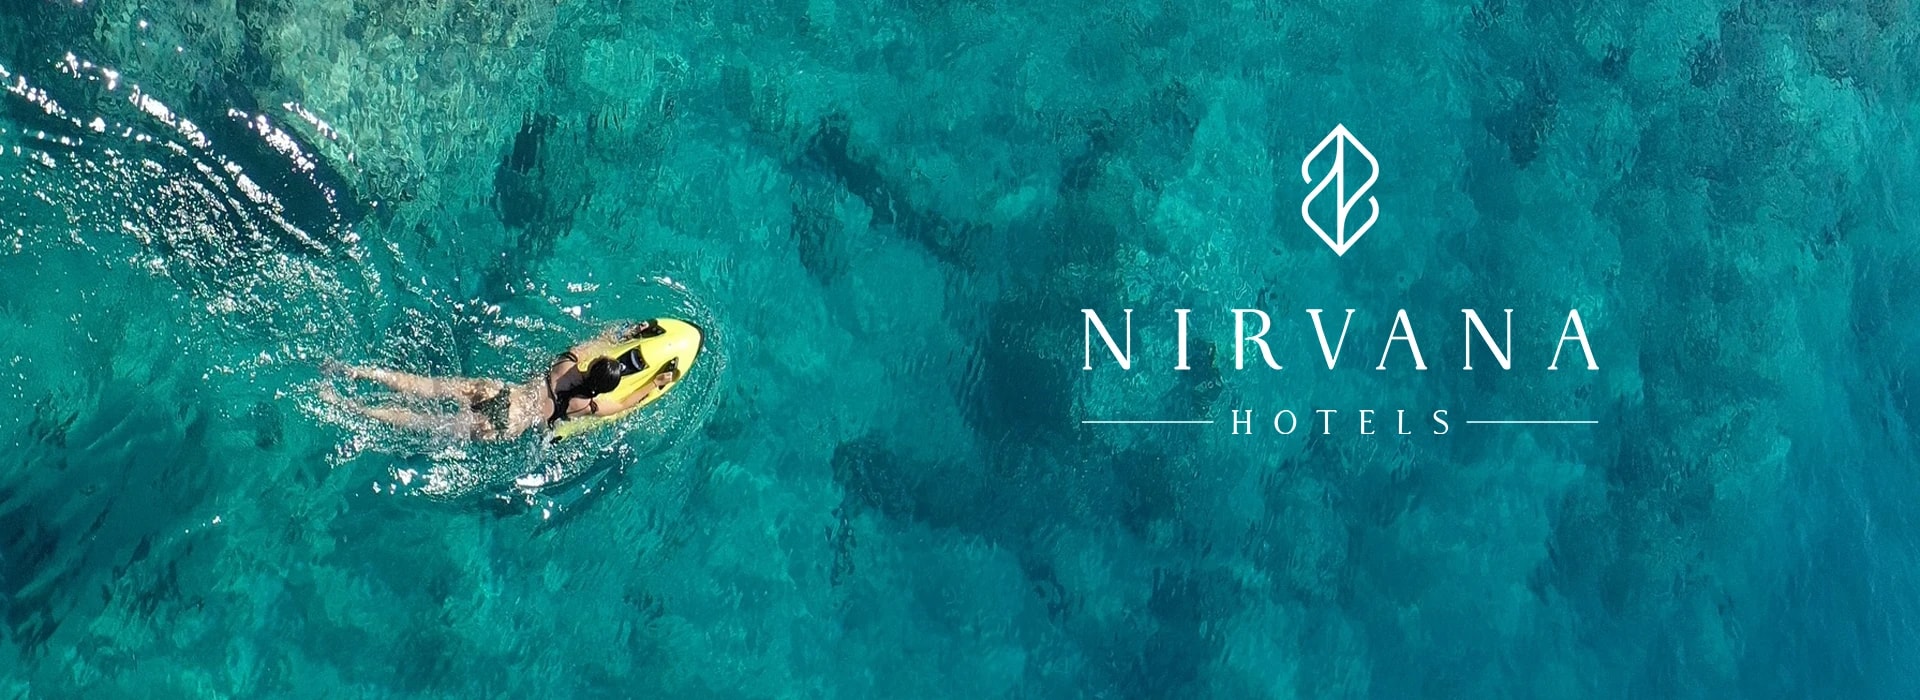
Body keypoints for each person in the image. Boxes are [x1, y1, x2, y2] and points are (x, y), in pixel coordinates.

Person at [320, 320, 681, 441]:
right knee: (424, 421)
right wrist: (659, 381)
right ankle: (346, 404)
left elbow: (599, 341)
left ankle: (354, 371)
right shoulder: (588, 406)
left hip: (502, 393)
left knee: (426, 386)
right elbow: (629, 402)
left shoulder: (567, 364)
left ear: (592, 365)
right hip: (509, 423)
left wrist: (632, 332)